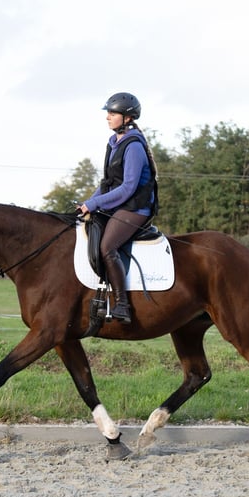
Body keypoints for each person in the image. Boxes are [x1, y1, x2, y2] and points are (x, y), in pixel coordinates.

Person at [77, 92, 158, 325]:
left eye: (112, 113)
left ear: (127, 118)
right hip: (120, 204)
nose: (108, 117)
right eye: (108, 113)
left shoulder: (133, 146)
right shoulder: (114, 143)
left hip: (136, 207)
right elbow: (107, 184)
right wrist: (87, 204)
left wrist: (95, 204)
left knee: (107, 246)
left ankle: (122, 304)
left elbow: (128, 188)